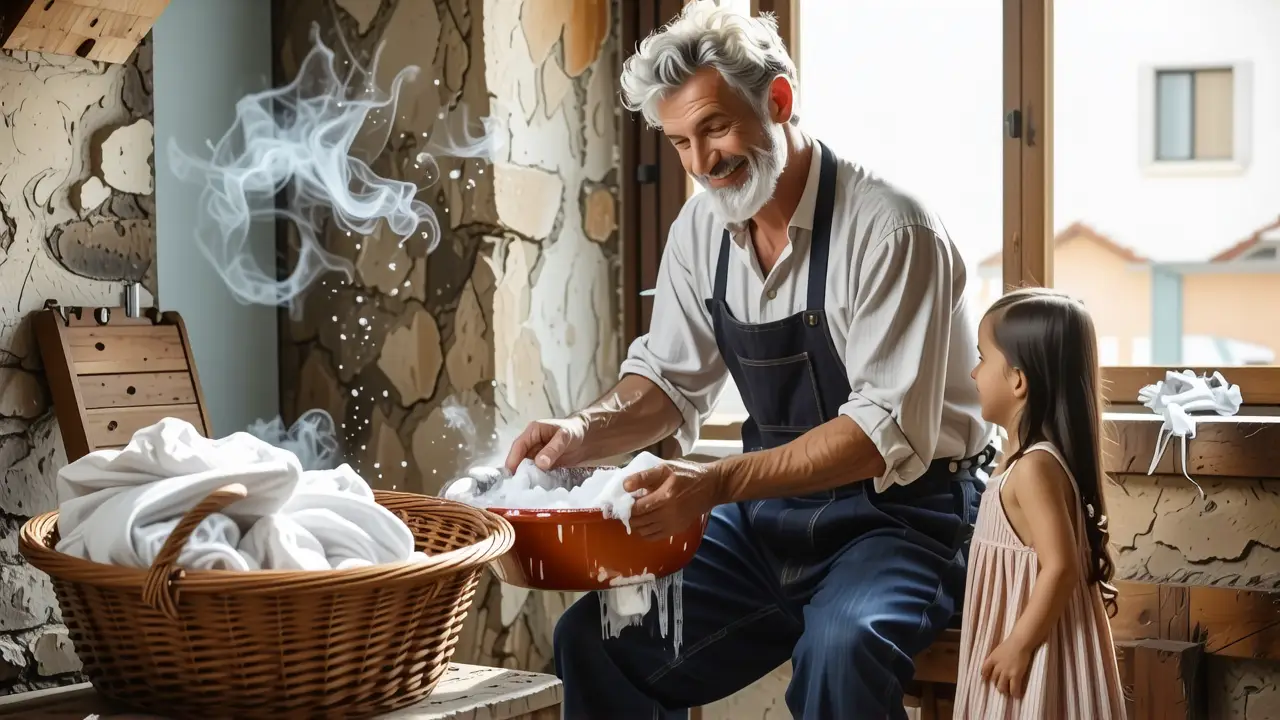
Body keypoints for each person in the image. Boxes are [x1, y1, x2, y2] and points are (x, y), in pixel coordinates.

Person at [504, 3, 993, 718]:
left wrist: (708, 485)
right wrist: (582, 431)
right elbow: (667, 380)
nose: (703, 165)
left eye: (716, 127)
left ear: (780, 101)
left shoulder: (892, 228)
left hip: (904, 520)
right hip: (769, 521)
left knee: (842, 650)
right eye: (679, 143)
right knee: (597, 638)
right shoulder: (701, 227)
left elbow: (875, 432)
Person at [955, 288, 1126, 717]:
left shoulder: (1033, 468)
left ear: (1018, 379)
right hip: (1020, 647)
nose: (974, 374)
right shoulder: (1017, 464)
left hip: (1038, 657)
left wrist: (1018, 644)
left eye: (982, 358)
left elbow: (1062, 566)